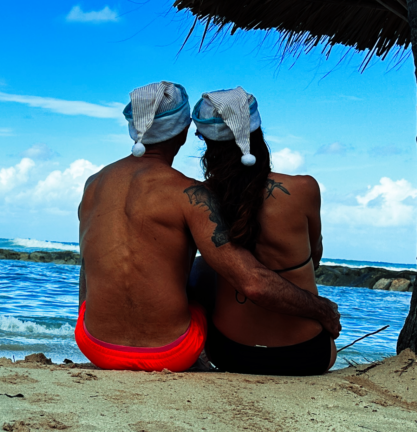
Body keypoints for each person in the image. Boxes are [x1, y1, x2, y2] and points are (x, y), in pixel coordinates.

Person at [75, 80, 341, 372]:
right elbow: (256, 280)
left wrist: (88, 324)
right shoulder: (191, 194)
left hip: (93, 345)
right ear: (183, 131)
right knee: (208, 266)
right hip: (174, 354)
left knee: (199, 267)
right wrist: (323, 309)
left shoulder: (93, 184)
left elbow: (87, 265)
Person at [189, 87, 336, 376]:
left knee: (200, 266)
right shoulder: (304, 188)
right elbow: (315, 256)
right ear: (257, 130)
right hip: (307, 355)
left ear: (204, 138)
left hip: (229, 353)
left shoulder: (199, 197)